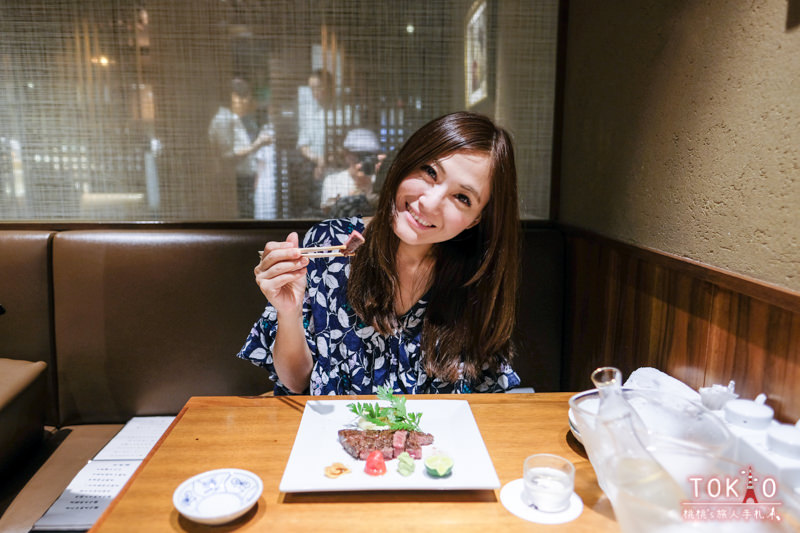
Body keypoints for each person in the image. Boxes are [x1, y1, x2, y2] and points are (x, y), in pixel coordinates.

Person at [238, 111, 521, 395]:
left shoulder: (475, 278)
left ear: (476, 219)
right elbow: (297, 383)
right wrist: (289, 313)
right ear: (405, 162)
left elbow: (488, 402)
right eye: (430, 172)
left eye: (462, 197)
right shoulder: (328, 245)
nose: (429, 203)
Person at [208, 78, 274, 218]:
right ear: (234, 97)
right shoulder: (223, 119)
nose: (246, 104)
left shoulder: (234, 118)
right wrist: (258, 144)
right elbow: (228, 157)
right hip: (234, 182)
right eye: (244, 99)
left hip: (244, 180)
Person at [319, 128, 383, 217]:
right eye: (357, 155)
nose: (362, 160)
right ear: (346, 154)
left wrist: (369, 189)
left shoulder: (380, 181)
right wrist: (353, 197)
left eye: (367, 155)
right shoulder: (332, 181)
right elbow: (328, 213)